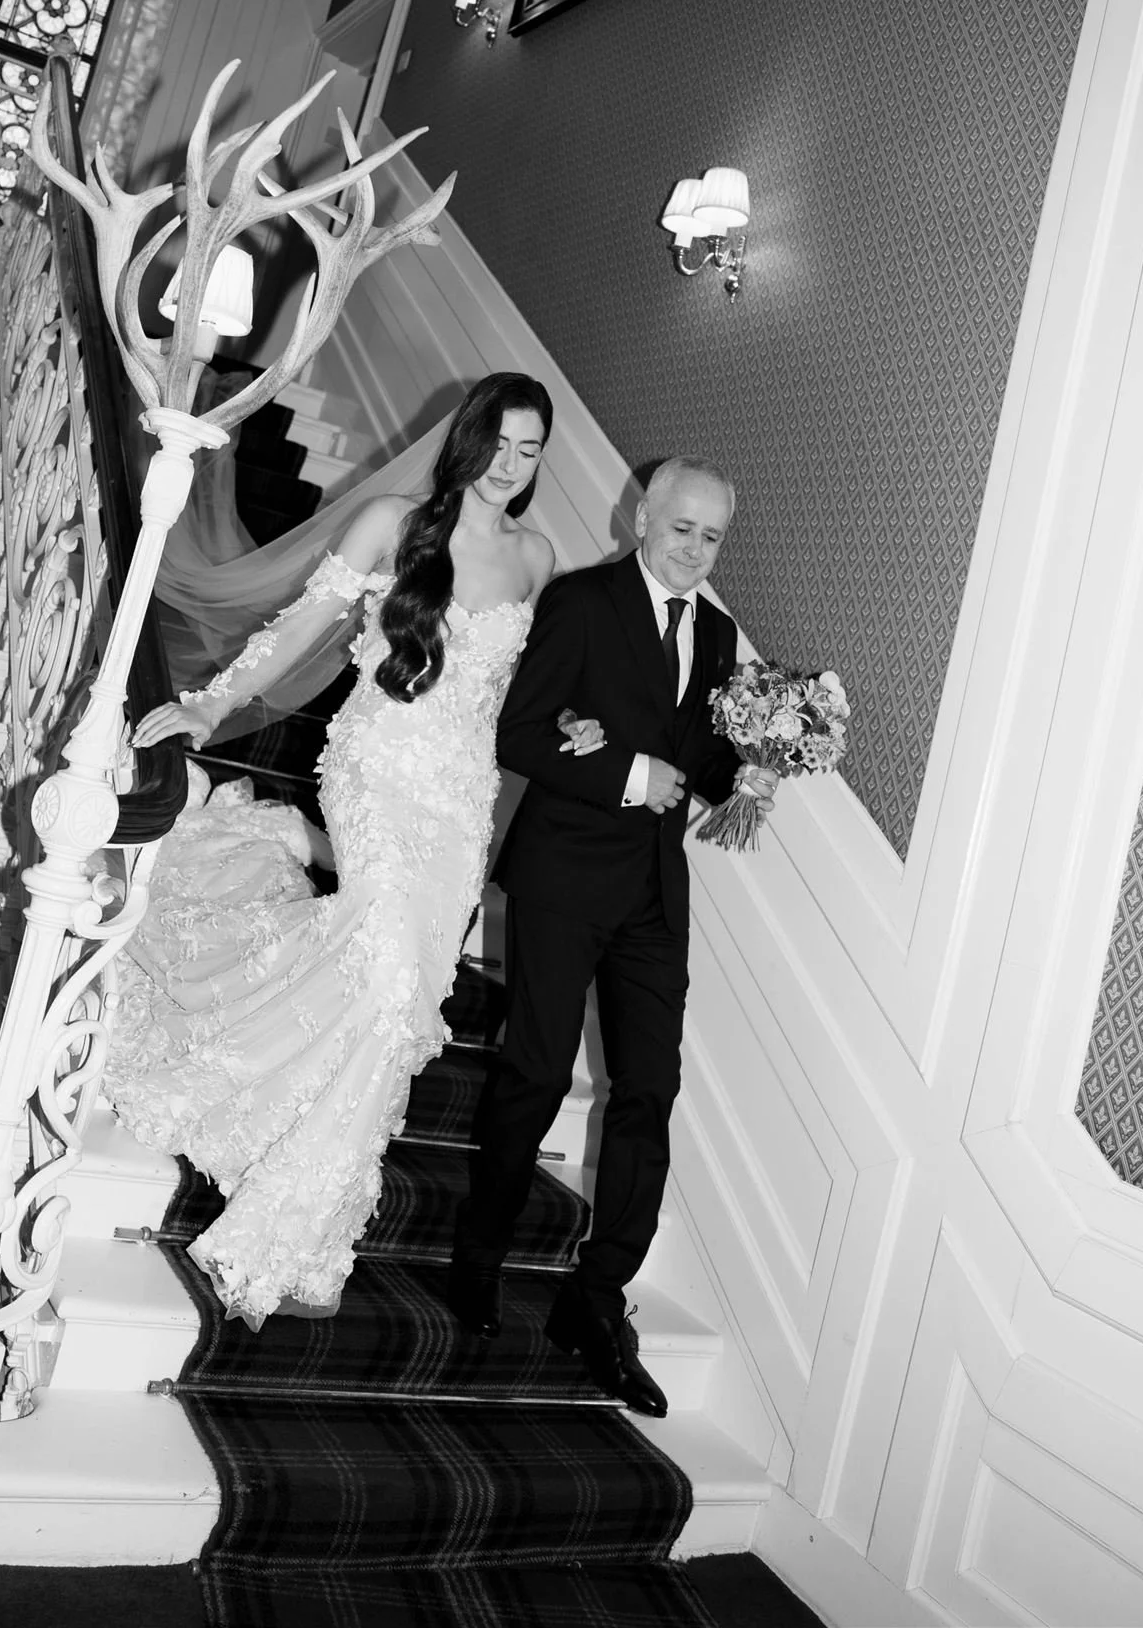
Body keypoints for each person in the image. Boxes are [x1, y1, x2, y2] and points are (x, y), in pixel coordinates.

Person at [105, 374, 604, 1327]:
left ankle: (314, 1219)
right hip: (375, 767)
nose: (510, 464)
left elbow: (523, 692)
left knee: (404, 1005)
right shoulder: (390, 521)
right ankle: (275, 1230)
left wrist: (574, 722)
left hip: (460, 802)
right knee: (382, 979)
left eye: (530, 448)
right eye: (497, 441)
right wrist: (215, 700)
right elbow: (302, 621)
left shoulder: (539, 558)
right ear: (465, 440)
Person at [449, 457, 778, 1415]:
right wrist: (631, 774)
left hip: (652, 896)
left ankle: (595, 1303)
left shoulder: (715, 633)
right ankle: (479, 1258)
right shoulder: (583, 601)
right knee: (537, 1073)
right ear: (641, 516)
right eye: (681, 529)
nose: (694, 551)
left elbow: (702, 754)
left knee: (649, 1092)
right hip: (561, 879)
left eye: (712, 537)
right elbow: (520, 732)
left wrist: (751, 767)